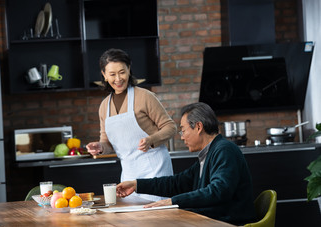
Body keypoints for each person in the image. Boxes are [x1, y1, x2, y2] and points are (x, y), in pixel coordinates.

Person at [116, 102, 256, 225]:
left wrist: (172, 201)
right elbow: (178, 183)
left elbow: (217, 192)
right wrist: (136, 185)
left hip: (229, 223)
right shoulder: (209, 153)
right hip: (214, 221)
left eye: (183, 130)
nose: (182, 137)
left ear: (198, 127)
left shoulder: (225, 150)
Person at [86, 48, 176, 201]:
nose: (118, 79)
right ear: (104, 75)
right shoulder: (104, 106)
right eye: (112, 74)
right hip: (128, 175)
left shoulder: (144, 96)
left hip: (155, 171)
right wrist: (100, 147)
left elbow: (170, 127)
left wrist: (151, 140)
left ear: (129, 70)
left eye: (122, 72)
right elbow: (106, 142)